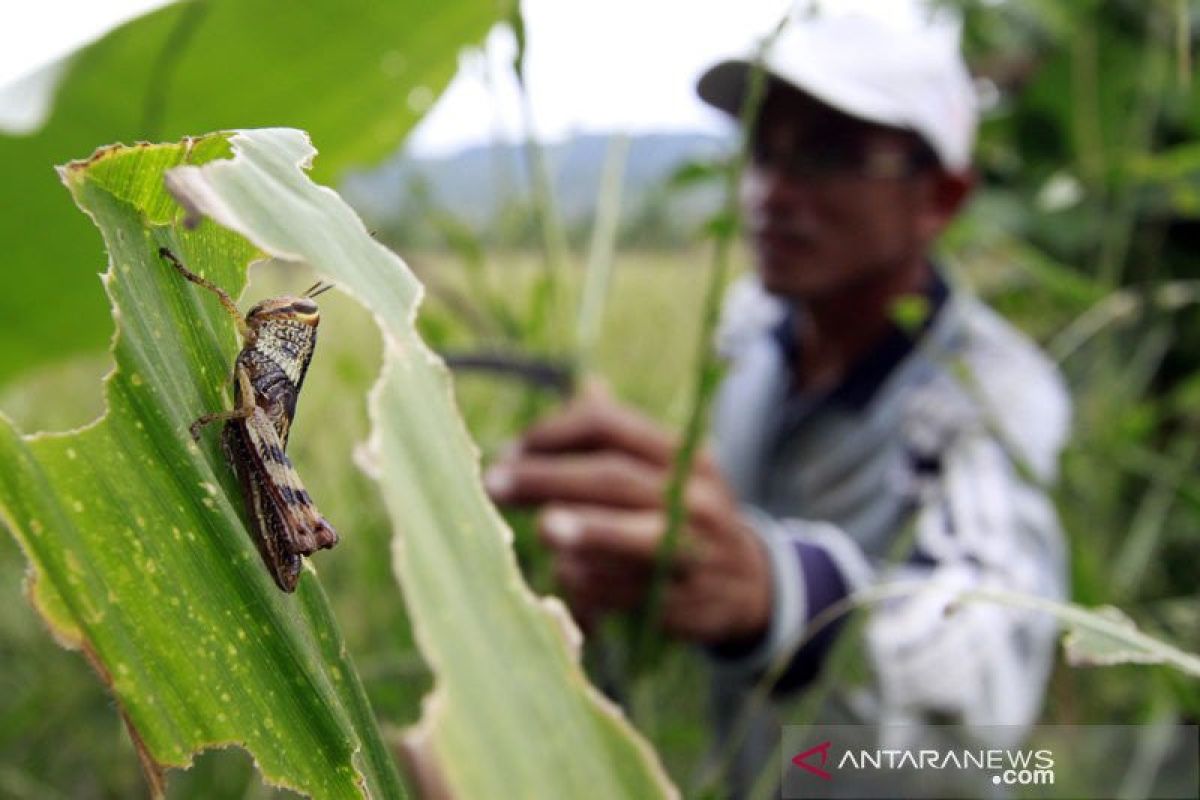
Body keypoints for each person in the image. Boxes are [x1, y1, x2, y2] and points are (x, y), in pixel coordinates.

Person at [485, 7, 1070, 795]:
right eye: (764, 148)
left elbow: (989, 680)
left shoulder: (987, 393)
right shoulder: (752, 330)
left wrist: (782, 594)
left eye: (829, 154)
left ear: (940, 197)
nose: (772, 190)